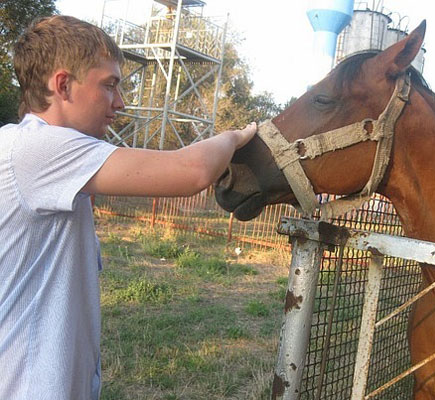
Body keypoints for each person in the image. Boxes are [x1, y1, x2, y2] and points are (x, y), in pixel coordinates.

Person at [0, 15, 256, 400]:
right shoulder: (39, 149)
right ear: (63, 84)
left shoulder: (28, 149)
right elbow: (193, 171)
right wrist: (236, 136)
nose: (119, 103)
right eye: (109, 86)